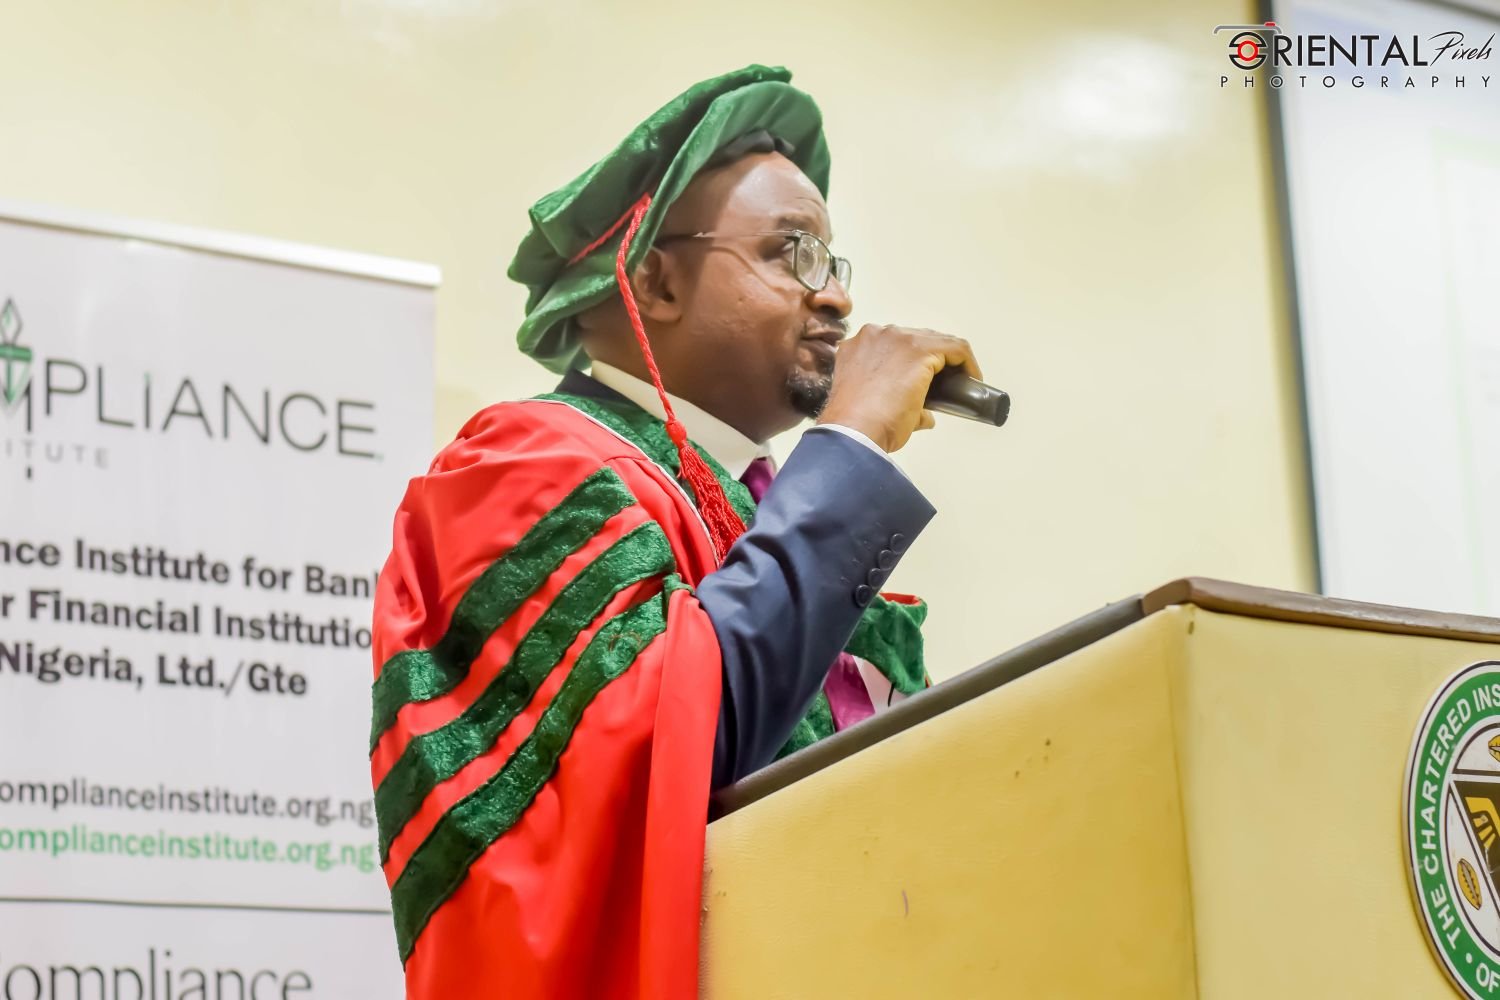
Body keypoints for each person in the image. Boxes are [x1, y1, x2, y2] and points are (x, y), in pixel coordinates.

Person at [368, 64, 982, 1000]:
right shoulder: (525, 464)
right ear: (653, 278)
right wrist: (852, 444)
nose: (836, 299)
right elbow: (678, 751)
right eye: (791, 253)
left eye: (833, 261)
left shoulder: (757, 503)